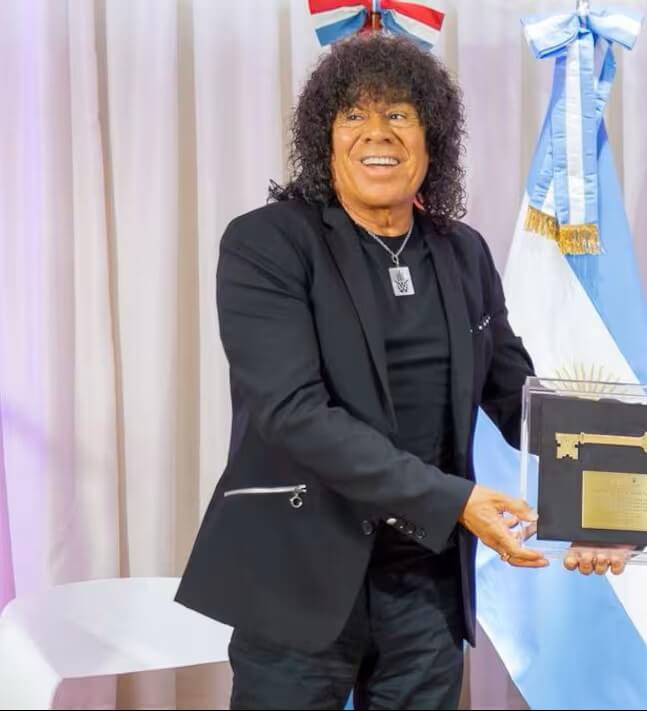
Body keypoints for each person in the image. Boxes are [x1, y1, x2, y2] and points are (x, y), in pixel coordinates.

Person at [176, 33, 546, 710]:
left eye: (399, 113)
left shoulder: (463, 252)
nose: (379, 132)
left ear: (432, 140)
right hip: (298, 577)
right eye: (354, 114)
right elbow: (293, 412)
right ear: (325, 137)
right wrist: (454, 500)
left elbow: (519, 398)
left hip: (427, 588)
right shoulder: (267, 243)